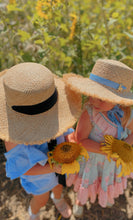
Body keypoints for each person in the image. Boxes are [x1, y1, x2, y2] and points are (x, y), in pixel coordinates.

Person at [63, 59, 133, 217]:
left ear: (118, 99)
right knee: (88, 179)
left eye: (101, 98)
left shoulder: (127, 115)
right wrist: (109, 150)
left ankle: (106, 193)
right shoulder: (89, 113)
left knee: (107, 180)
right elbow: (81, 139)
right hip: (92, 158)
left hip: (112, 163)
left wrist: (124, 148)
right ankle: (81, 200)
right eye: (92, 95)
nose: (93, 101)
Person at [0, 62, 81, 219]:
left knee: (59, 187)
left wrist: (72, 144)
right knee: (41, 200)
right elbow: (25, 168)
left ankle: (57, 199)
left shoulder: (58, 120)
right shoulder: (14, 138)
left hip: (58, 168)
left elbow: (67, 135)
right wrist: (53, 167)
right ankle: (34, 212)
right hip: (39, 178)